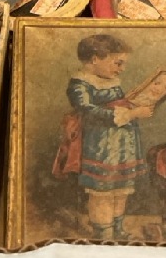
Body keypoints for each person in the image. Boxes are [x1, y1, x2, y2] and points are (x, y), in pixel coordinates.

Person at [65, 33, 155, 240]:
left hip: (123, 145)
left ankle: (118, 229)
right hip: (100, 145)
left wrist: (136, 102)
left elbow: (118, 104)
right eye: (117, 63)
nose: (121, 69)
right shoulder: (80, 84)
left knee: (121, 189)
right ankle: (103, 233)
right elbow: (88, 110)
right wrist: (131, 114)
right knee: (102, 191)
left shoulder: (112, 81)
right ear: (95, 59)